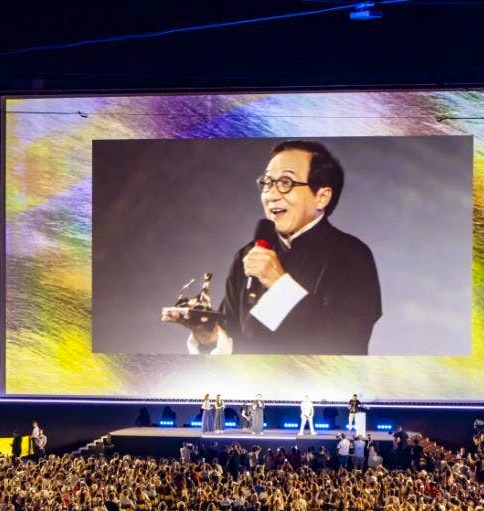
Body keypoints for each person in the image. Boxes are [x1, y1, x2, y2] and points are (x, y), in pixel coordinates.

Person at [163, 140, 382, 355]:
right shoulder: (248, 255)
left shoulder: (351, 254)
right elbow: (239, 341)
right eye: (267, 183)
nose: (271, 195)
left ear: (322, 197)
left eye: (286, 183)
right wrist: (208, 335)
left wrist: (278, 284)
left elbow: (345, 342)